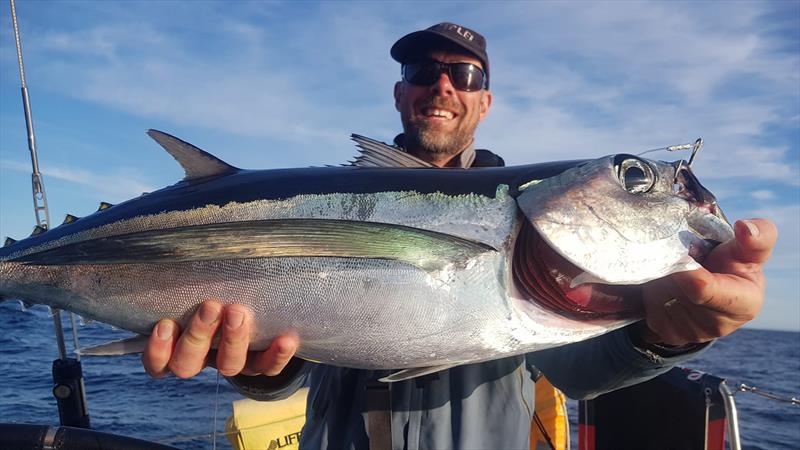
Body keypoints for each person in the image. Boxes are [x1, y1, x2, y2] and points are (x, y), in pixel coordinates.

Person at [142, 23, 777, 449]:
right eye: (424, 70)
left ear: (484, 101)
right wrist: (259, 373)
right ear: (401, 94)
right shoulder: (332, 191)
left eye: (465, 76)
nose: (442, 85)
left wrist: (661, 337)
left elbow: (573, 371)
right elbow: (296, 350)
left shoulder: (551, 256)